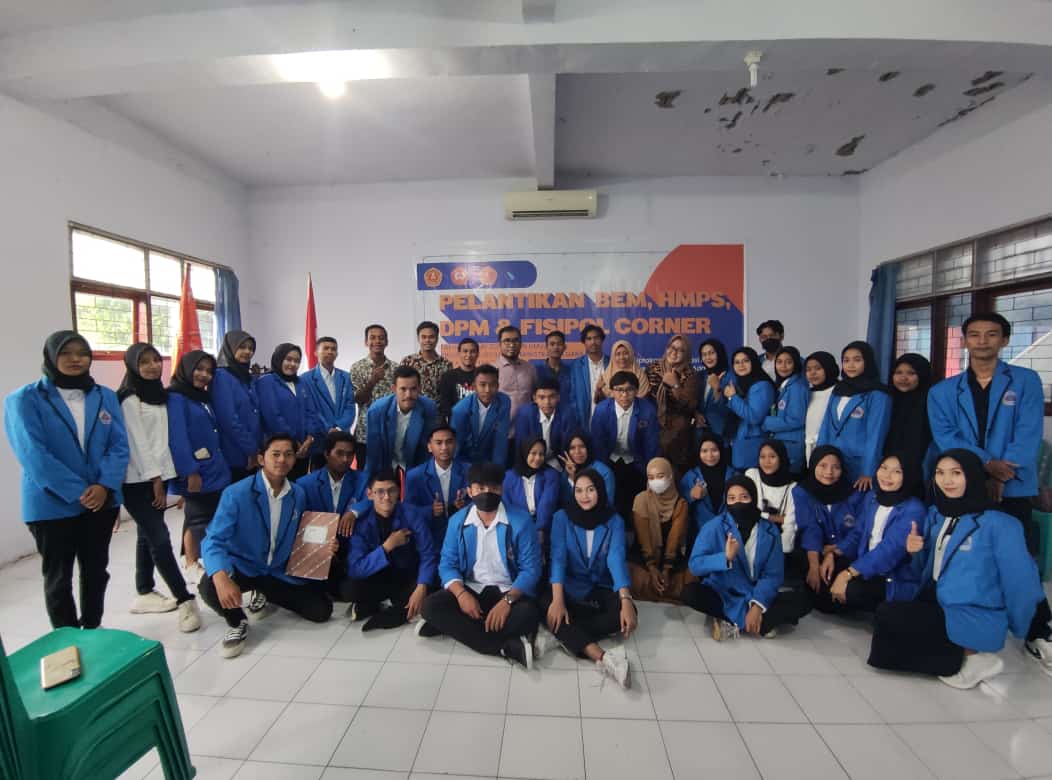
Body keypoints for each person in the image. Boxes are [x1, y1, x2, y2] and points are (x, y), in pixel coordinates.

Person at [927, 312, 1052, 673]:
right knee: (964, 556)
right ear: (965, 340)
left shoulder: (1025, 381)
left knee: (1020, 560)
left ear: (1004, 340)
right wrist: (985, 466)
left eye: (991, 334)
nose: (982, 341)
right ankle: (968, 623)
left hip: (1013, 483)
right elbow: (946, 436)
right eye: (975, 334)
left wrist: (1002, 473)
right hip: (962, 483)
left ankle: (1038, 630)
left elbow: (1028, 433)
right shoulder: (943, 391)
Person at [868, 450, 1047, 689]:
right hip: (937, 601)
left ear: (972, 476)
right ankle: (961, 656)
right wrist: (915, 550)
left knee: (890, 619)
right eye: (940, 473)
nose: (947, 480)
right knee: (884, 625)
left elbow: (1022, 582)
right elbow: (925, 570)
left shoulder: (1000, 524)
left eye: (956, 473)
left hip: (971, 612)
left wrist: (1019, 627)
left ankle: (970, 656)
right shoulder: (937, 515)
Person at [4, 331, 129, 629]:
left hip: (101, 501)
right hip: (52, 505)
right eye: (66, 353)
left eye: (82, 353)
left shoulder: (105, 396)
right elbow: (33, 454)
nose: (75, 359)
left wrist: (104, 486)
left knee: (96, 571)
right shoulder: (25, 399)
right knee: (59, 577)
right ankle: (67, 637)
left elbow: (119, 446)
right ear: (51, 356)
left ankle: (93, 628)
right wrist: (80, 492)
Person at [199, 434, 337, 657]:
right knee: (209, 586)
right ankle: (238, 621)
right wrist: (220, 576)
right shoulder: (236, 494)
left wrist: (323, 547)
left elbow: (303, 534)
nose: (282, 460)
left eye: (288, 454)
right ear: (261, 459)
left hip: (276, 570)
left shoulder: (297, 494)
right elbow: (213, 540)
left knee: (321, 611)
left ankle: (263, 592)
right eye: (276, 454)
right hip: (244, 566)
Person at [418, 462, 543, 669]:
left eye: (493, 488)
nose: (487, 493)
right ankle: (504, 646)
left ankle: (454, 627)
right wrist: (461, 595)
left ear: (501, 489)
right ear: (470, 491)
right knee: (429, 606)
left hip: (509, 590)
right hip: (471, 587)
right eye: (480, 488)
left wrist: (507, 602)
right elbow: (447, 564)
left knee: (529, 615)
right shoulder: (458, 521)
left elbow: (531, 570)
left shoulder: (521, 521)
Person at [117, 342, 199, 631]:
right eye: (144, 362)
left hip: (160, 476)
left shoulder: (161, 395)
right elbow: (138, 442)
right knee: (160, 538)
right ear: (132, 366)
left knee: (146, 534)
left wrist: (165, 479)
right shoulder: (129, 398)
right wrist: (155, 480)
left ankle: (144, 591)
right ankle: (184, 599)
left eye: (156, 360)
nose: (152, 366)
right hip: (137, 480)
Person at [535, 469, 636, 688]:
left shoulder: (614, 520)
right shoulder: (561, 518)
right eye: (579, 491)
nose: (584, 496)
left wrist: (626, 599)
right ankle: (604, 658)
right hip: (570, 585)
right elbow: (558, 559)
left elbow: (616, 559)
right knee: (546, 603)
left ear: (600, 490)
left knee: (625, 614)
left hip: (599, 585)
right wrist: (558, 600)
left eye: (590, 490)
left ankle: (560, 633)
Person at [683, 475, 811, 640]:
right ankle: (760, 623)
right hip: (724, 592)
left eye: (744, 497)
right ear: (726, 501)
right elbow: (695, 565)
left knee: (804, 600)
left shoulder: (770, 531)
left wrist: (757, 606)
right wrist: (725, 558)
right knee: (691, 593)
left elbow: (773, 575)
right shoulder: (714, 526)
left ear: (753, 498)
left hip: (755, 592)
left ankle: (734, 619)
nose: (738, 503)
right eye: (731, 498)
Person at [813, 453, 925, 614]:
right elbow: (858, 533)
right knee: (820, 573)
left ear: (908, 475)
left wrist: (847, 574)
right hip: (864, 562)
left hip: (891, 575)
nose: (887, 475)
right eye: (884, 468)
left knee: (850, 591)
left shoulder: (914, 509)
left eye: (897, 472)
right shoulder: (873, 497)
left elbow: (888, 551)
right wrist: (835, 553)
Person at [339, 470, 438, 629]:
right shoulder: (362, 522)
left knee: (431, 584)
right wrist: (387, 547)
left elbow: (428, 555)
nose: (386, 497)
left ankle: (380, 607)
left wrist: (421, 587)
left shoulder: (412, 514)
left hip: (405, 576)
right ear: (370, 494)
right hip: (377, 576)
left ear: (399, 492)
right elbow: (355, 568)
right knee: (349, 589)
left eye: (391, 491)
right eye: (380, 492)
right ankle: (392, 605)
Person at [167, 350, 231, 583]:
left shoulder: (201, 397)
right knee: (196, 517)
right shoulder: (176, 397)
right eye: (199, 369)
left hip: (213, 466)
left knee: (203, 515)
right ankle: (191, 562)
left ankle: (200, 558)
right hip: (195, 469)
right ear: (186, 369)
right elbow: (178, 438)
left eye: (208, 371)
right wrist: (190, 471)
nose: (204, 375)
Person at [297, 430, 368, 596]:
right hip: (317, 547)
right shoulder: (304, 484)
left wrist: (354, 512)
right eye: (339, 453)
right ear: (327, 454)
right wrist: (325, 541)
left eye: (350, 454)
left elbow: (372, 499)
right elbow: (302, 521)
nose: (345, 459)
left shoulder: (363, 479)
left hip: (350, 544)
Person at [817, 341, 891, 490]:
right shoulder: (839, 389)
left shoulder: (878, 394)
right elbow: (826, 426)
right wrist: (819, 459)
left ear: (867, 362)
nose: (851, 365)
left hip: (859, 465)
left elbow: (876, 435)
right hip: (833, 464)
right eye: (846, 360)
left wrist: (868, 471)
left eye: (857, 360)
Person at [792, 445, 866, 591]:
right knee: (810, 578)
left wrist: (834, 552)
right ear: (813, 465)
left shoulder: (855, 494)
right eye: (823, 466)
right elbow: (810, 527)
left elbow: (858, 531)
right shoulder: (802, 492)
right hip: (815, 550)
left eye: (836, 467)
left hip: (846, 551)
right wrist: (814, 566)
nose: (829, 472)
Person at [590, 371, 660, 522]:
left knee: (636, 503)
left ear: (636, 391)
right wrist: (601, 471)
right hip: (610, 460)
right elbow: (598, 444)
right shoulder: (602, 410)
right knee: (612, 498)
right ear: (612, 391)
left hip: (637, 461)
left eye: (629, 389)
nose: (624, 395)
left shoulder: (647, 410)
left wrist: (651, 474)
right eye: (619, 390)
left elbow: (651, 446)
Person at [629, 457, 693, 602]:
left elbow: (674, 540)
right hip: (644, 557)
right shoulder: (641, 500)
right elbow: (644, 539)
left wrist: (666, 569)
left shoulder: (681, 503)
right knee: (636, 578)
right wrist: (652, 568)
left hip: (670, 559)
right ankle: (661, 591)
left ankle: (659, 590)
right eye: (651, 477)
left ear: (670, 476)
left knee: (690, 578)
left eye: (660, 476)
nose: (655, 481)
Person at [257, 343, 323, 480]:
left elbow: (312, 411)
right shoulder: (266, 382)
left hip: (304, 449)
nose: (293, 364)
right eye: (288, 359)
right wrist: (293, 442)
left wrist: (309, 438)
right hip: (279, 449)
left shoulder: (301, 382)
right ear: (279, 359)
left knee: (297, 485)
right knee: (279, 485)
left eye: (297, 361)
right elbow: (273, 417)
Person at [364, 366, 438, 478]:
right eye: (403, 389)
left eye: (413, 389)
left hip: (416, 465)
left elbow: (427, 450)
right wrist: (373, 481)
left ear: (420, 388)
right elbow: (374, 453)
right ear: (394, 389)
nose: (408, 395)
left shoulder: (429, 408)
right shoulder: (377, 411)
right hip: (385, 465)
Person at [212, 329, 262, 482]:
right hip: (234, 452)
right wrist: (251, 448)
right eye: (242, 347)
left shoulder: (247, 377)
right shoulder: (221, 376)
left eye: (251, 348)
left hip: (253, 449)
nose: (247, 352)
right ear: (230, 348)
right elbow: (229, 420)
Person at [405, 425, 470, 541]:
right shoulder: (414, 476)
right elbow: (408, 512)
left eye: (449, 442)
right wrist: (430, 511)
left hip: (462, 534)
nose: (444, 447)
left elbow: (478, 503)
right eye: (439, 443)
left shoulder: (469, 471)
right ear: (429, 447)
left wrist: (464, 506)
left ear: (455, 445)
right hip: (429, 535)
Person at [302, 337, 357, 470]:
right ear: (316, 352)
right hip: (320, 440)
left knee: (343, 475)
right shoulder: (305, 379)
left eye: (333, 349)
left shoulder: (346, 377)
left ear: (337, 354)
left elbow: (350, 406)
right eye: (325, 348)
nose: (330, 351)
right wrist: (327, 429)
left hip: (342, 438)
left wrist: (338, 428)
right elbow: (311, 410)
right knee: (320, 476)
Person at [646, 335, 698, 474]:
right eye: (672, 347)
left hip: (677, 434)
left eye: (680, 350)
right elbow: (645, 398)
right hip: (653, 429)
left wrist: (675, 385)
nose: (674, 352)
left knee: (675, 475)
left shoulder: (690, 374)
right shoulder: (652, 369)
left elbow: (690, 406)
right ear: (667, 348)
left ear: (686, 354)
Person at [350, 324, 398, 466]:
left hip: (390, 432)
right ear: (366, 342)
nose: (377, 341)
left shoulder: (396, 368)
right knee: (365, 474)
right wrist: (372, 381)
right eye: (373, 338)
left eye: (381, 338)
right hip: (365, 433)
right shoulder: (357, 367)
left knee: (390, 474)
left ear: (387, 342)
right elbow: (358, 400)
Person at [884, 353, 935, 484]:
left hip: (919, 468)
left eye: (911, 373)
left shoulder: (931, 403)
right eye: (898, 372)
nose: (903, 378)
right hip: (886, 468)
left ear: (922, 375)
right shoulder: (885, 400)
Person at [723, 347, 776, 473]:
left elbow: (754, 417)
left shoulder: (761, 385)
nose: (741, 365)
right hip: (742, 443)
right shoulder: (740, 383)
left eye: (745, 361)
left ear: (754, 362)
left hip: (753, 444)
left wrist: (732, 397)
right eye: (737, 362)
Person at [502, 437, 560, 549]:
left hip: (546, 526)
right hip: (517, 526)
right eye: (533, 453)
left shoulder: (551, 474)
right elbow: (508, 507)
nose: (537, 458)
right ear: (524, 453)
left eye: (541, 454)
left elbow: (547, 504)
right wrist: (524, 529)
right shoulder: (508, 477)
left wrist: (540, 529)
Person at [744, 441, 798, 557]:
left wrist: (777, 551)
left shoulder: (793, 487)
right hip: (751, 536)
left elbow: (790, 524)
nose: (766, 461)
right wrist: (776, 518)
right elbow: (747, 512)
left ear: (781, 458)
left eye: (772, 456)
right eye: (762, 457)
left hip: (778, 541)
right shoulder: (752, 475)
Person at [450, 364, 512, 466]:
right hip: (464, 460)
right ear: (474, 386)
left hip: (488, 459)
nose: (487, 390)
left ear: (498, 386)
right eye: (482, 385)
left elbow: (501, 441)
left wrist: (497, 470)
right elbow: (456, 446)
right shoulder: (460, 410)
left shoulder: (504, 402)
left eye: (492, 385)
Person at [513, 377, 578, 471]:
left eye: (552, 397)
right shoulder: (525, 414)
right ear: (534, 398)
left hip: (556, 460)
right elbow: (521, 448)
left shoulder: (567, 414)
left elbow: (566, 448)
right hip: (532, 461)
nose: (547, 402)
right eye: (542, 397)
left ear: (558, 397)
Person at [679, 432, 730, 546]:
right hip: (700, 533)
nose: (710, 455)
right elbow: (679, 503)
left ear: (721, 451)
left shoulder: (733, 475)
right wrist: (691, 495)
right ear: (698, 452)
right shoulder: (691, 476)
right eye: (704, 451)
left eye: (714, 450)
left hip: (728, 533)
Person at [762, 346, 807, 473]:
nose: (783, 366)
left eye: (788, 362)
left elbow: (796, 420)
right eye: (779, 362)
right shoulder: (784, 385)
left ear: (796, 364)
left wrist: (766, 422)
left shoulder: (797, 387)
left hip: (792, 445)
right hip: (782, 443)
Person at [557, 430, 616, 509]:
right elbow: (566, 502)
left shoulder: (604, 472)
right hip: (572, 514)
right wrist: (572, 477)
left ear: (588, 448)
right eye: (572, 448)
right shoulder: (566, 472)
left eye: (582, 446)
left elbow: (607, 503)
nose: (577, 451)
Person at [401, 320, 453, 402]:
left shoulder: (446, 364)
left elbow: (449, 392)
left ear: (437, 338)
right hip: (414, 407)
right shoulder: (408, 362)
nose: (427, 340)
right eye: (424, 337)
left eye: (431, 337)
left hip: (437, 409)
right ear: (418, 338)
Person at [496, 324, 537, 423]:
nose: (512, 345)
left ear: (521, 343)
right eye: (507, 341)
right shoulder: (492, 370)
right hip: (502, 427)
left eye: (515, 340)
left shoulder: (530, 368)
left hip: (528, 425)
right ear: (500, 344)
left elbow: (536, 397)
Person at [803, 351, 838, 466]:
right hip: (809, 448)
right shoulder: (808, 393)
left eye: (818, 368)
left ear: (828, 368)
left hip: (831, 449)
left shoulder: (838, 392)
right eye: (808, 369)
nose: (813, 373)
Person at [569, 324, 608, 426]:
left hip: (609, 420)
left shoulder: (612, 363)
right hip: (584, 422)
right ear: (584, 342)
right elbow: (573, 397)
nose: (593, 342)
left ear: (602, 340)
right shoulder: (576, 366)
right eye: (589, 339)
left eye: (596, 338)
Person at [437, 337, 479, 424]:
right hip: (455, 423)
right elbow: (445, 405)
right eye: (465, 351)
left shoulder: (482, 376)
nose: (468, 355)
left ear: (477, 354)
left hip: (478, 422)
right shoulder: (448, 377)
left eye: (472, 351)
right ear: (459, 353)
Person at [694, 338, 730, 439]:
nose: (708, 357)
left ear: (719, 353)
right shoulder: (700, 375)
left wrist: (716, 388)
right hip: (700, 433)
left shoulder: (730, 376)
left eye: (711, 353)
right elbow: (694, 403)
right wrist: (696, 413)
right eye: (704, 354)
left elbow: (727, 410)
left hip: (722, 434)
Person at [596, 340, 651, 404]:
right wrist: (599, 390)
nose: (622, 357)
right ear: (613, 356)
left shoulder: (640, 375)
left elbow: (644, 401)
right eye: (618, 354)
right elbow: (600, 402)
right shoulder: (605, 376)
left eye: (625, 353)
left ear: (631, 354)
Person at [532, 330, 573, 400]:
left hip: (566, 406)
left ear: (564, 347)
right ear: (546, 347)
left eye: (559, 344)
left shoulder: (571, 371)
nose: (556, 347)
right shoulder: (536, 370)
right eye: (552, 344)